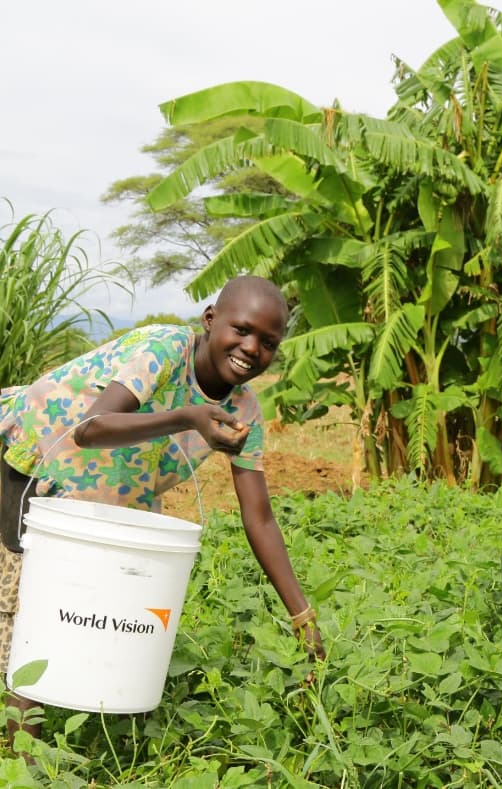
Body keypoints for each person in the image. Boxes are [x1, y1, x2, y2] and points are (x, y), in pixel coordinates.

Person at [0, 275, 324, 743]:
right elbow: (90, 429)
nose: (252, 348)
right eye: (242, 329)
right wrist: (187, 416)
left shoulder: (245, 411)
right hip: (40, 458)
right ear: (210, 320)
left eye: (268, 342)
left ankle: (86, 723)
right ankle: (18, 754)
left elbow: (260, 517)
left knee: (93, 601)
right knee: (30, 603)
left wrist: (302, 617)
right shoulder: (166, 349)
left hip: (112, 490)